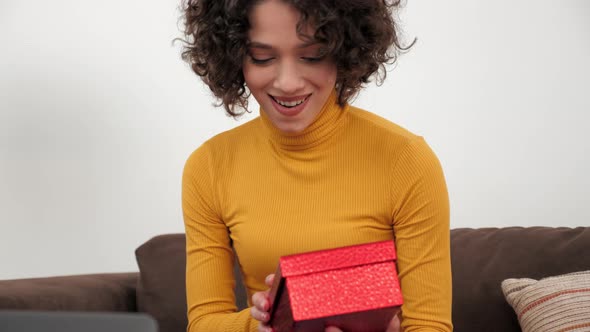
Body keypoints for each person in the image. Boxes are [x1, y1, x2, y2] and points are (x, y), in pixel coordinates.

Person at [180, 0, 453, 331]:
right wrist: (264, 325)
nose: (288, 82)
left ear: (345, 50)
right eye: (263, 57)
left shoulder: (406, 160)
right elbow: (204, 322)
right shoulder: (209, 167)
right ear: (234, 55)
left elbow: (429, 326)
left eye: (312, 56)